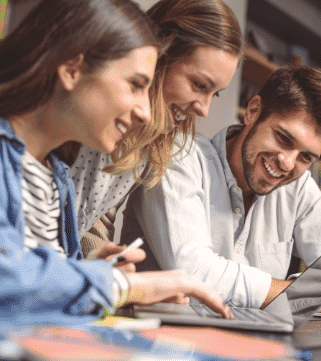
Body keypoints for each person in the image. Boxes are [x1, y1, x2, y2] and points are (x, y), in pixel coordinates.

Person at [0, 0, 231, 327]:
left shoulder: (57, 177)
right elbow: (8, 280)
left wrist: (86, 269)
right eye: (136, 85)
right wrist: (125, 285)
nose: (146, 112)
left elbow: (34, 278)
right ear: (71, 68)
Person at [123, 66, 321, 312]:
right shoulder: (177, 155)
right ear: (253, 111)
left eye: (306, 157)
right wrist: (317, 296)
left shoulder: (299, 187)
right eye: (283, 138)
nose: (287, 162)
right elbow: (195, 275)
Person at [70, 0, 242, 257]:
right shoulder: (90, 115)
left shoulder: (149, 142)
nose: (203, 110)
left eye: (214, 94)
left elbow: (89, 223)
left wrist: (109, 269)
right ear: (160, 55)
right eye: (198, 85)